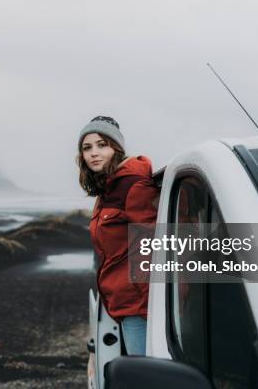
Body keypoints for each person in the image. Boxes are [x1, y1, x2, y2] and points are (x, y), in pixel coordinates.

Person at [77, 115, 159, 356]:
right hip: (123, 303)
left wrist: (148, 309)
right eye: (87, 147)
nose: (94, 153)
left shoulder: (133, 185)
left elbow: (152, 248)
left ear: (116, 148)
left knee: (144, 379)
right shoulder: (107, 190)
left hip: (138, 307)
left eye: (102, 145)